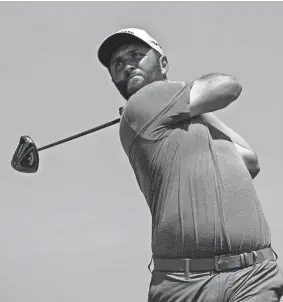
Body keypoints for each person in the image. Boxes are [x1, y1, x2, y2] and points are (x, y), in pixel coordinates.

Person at [98, 28, 283, 302]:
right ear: (114, 79)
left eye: (136, 55)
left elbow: (249, 161)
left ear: (162, 63)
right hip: (185, 286)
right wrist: (184, 99)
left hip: (253, 278)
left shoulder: (184, 121)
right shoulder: (143, 104)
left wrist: (191, 108)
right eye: (117, 63)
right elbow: (228, 86)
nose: (127, 64)